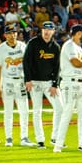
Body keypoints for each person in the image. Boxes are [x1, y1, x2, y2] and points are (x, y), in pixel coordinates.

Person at [53, 24, 82, 153]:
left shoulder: (79, 48)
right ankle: (58, 145)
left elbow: (80, 64)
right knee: (67, 113)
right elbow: (75, 62)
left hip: (81, 83)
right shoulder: (69, 45)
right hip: (70, 83)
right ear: (78, 33)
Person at [22, 21, 62, 149]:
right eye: (44, 29)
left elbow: (57, 67)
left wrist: (55, 84)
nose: (46, 32)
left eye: (49, 30)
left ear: (53, 31)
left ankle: (55, 137)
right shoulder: (33, 43)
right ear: (41, 30)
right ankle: (40, 140)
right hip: (35, 82)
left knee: (60, 108)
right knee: (37, 110)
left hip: (49, 83)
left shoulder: (55, 47)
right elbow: (26, 61)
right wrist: (27, 80)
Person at [0, 24, 31, 147]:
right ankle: (8, 138)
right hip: (8, 81)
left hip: (20, 80)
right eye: (9, 33)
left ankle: (24, 137)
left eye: (14, 32)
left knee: (24, 111)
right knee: (8, 111)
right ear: (5, 35)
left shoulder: (23, 46)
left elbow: (27, 65)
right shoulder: (0, 49)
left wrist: (28, 80)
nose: (12, 35)